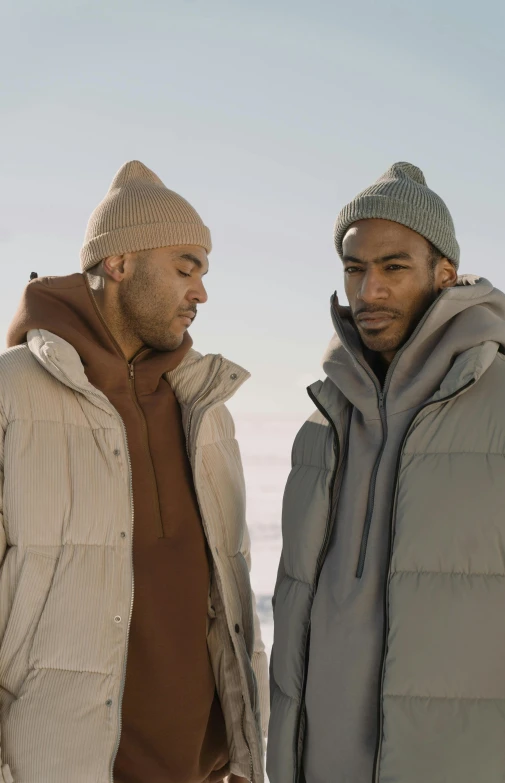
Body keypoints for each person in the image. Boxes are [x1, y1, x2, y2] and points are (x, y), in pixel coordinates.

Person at [0, 160, 268, 783]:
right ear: (118, 264)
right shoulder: (13, 397)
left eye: (203, 272)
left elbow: (230, 585)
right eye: (184, 268)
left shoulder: (206, 405)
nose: (201, 292)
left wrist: (243, 746)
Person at [267, 162, 505, 783]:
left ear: (446, 274)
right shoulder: (322, 423)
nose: (369, 291)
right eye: (355, 269)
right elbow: (298, 609)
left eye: (394, 267)